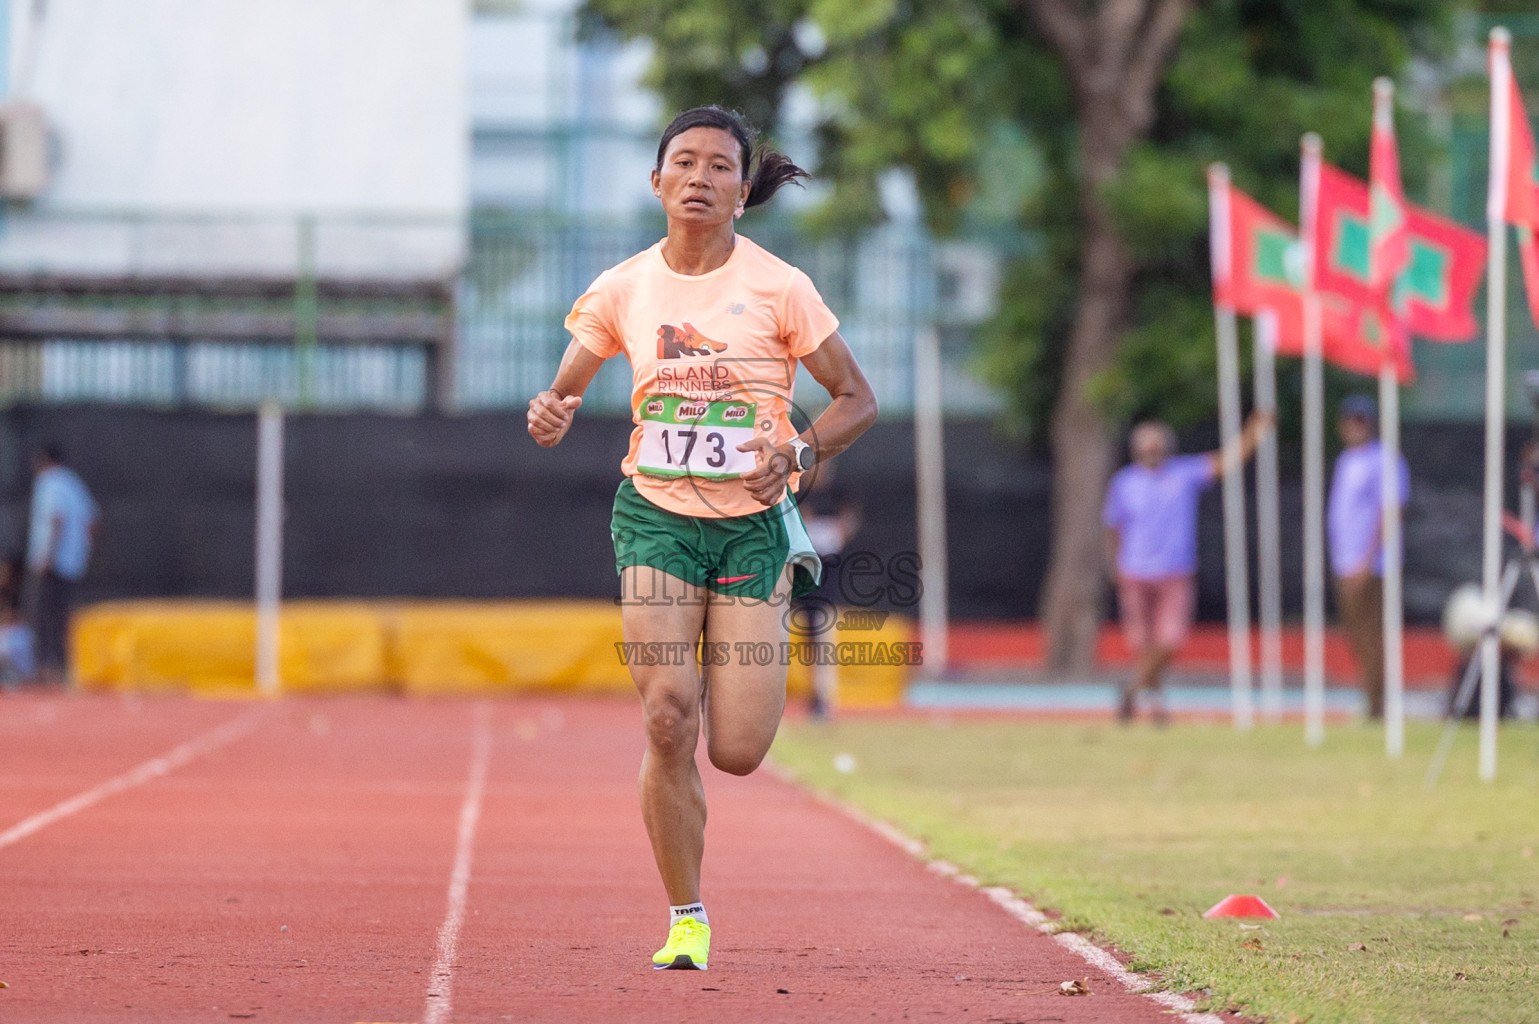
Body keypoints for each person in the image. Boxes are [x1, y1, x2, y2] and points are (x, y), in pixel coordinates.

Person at [526, 105, 877, 971]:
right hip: (654, 520)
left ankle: (728, 669)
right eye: (683, 162)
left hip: (753, 530)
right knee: (668, 716)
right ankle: (686, 916)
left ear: (741, 193)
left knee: (737, 751)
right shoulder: (622, 288)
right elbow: (564, 388)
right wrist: (551, 410)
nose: (699, 177)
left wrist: (796, 450)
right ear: (656, 183)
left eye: (720, 166)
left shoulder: (780, 287)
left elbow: (856, 400)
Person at [1102, 412, 1272, 723]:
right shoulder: (1124, 482)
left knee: (1170, 639)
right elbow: (1112, 527)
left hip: (1175, 572)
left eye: (1157, 447)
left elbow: (1226, 462)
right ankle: (1155, 704)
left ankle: (1131, 689)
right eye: (1146, 448)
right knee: (1142, 644)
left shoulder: (1183, 474)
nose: (1153, 453)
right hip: (1135, 572)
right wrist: (1114, 565)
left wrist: (1253, 432)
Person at [1328, 393, 1408, 721]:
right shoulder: (1346, 460)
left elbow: (1389, 511)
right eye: (1349, 420)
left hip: (1371, 565)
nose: (1354, 426)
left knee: (1369, 635)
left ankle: (1376, 706)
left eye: (1360, 420)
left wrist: (1367, 559)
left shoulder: (1384, 459)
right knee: (1356, 636)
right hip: (1344, 562)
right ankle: (1369, 696)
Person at [26, 443, 98, 685]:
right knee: (62, 619)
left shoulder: (50, 482)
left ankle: (45, 671)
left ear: (43, 461)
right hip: (71, 565)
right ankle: (62, 670)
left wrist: (49, 555)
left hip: (52, 564)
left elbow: (57, 518)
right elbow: (92, 522)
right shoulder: (73, 482)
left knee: (42, 617)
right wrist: (81, 554)